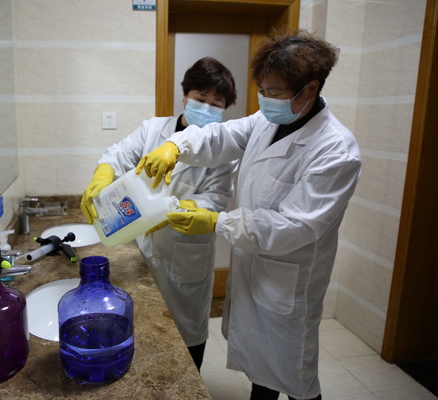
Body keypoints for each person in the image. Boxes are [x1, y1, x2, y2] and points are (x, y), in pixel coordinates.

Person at [136, 29, 362, 400]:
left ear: (310, 88)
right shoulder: (265, 121)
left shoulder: (336, 150)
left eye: (276, 92)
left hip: (289, 278)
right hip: (254, 266)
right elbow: (220, 137)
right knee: (261, 367)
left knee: (296, 375)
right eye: (263, 89)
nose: (266, 98)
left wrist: (217, 222)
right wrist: (176, 146)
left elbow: (296, 225)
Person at [80, 57, 238, 371]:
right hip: (144, 247)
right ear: (185, 95)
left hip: (186, 254)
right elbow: (119, 154)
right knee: (144, 328)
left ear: (224, 109)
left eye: (216, 103)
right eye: (200, 97)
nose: (206, 106)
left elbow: (216, 197)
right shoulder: (154, 129)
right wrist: (102, 175)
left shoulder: (223, 151)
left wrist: (176, 211)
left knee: (188, 332)